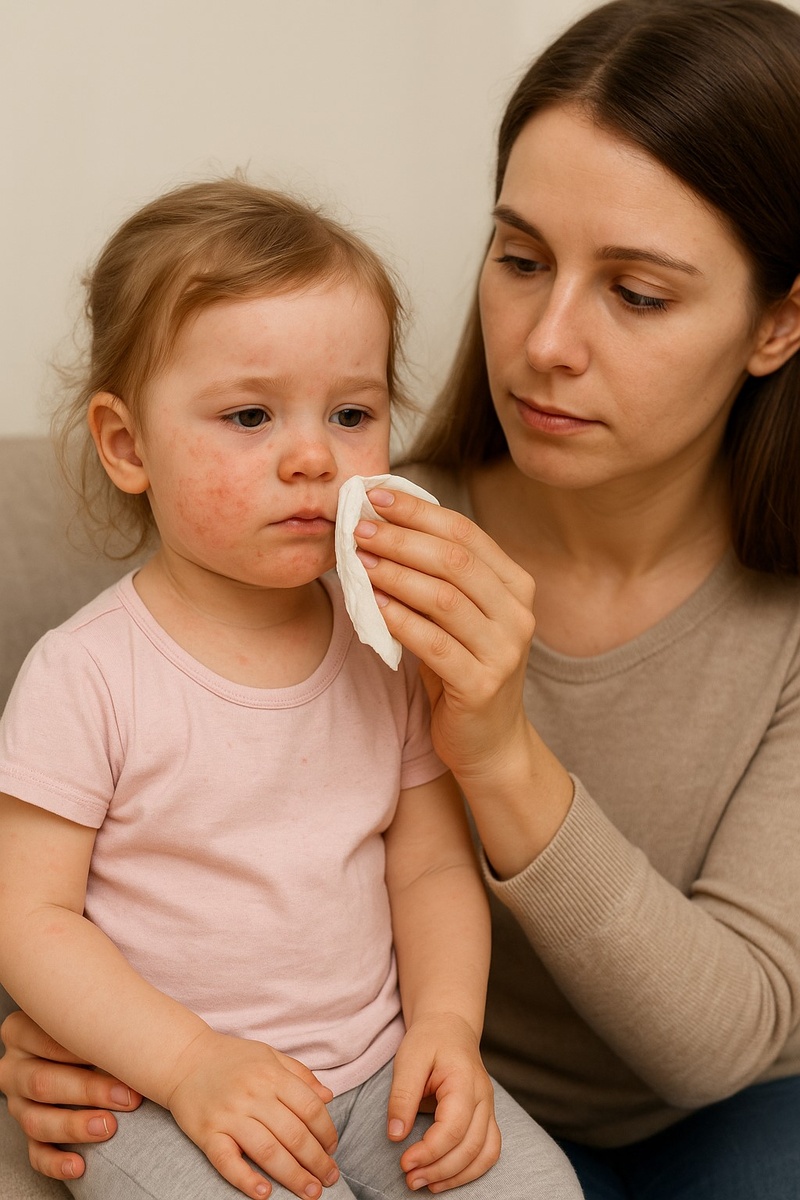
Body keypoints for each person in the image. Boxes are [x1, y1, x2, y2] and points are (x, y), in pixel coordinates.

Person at [3, 0, 800, 1194]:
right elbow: (54, 907)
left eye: (636, 292)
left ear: (776, 322)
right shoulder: (330, 546)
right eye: (519, 259)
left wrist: (499, 754)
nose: (544, 343)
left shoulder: (764, 628)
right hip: (302, 1089)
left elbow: (718, 1043)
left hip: (625, 1109)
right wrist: (115, 1046)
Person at [0, 179, 581, 1200]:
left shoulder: (384, 646)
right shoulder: (85, 674)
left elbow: (430, 869)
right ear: (127, 445)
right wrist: (189, 1064)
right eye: (250, 415)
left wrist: (447, 1027)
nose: (313, 456)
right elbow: (27, 917)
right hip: (162, 1092)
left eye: (351, 413)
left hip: (375, 1072)